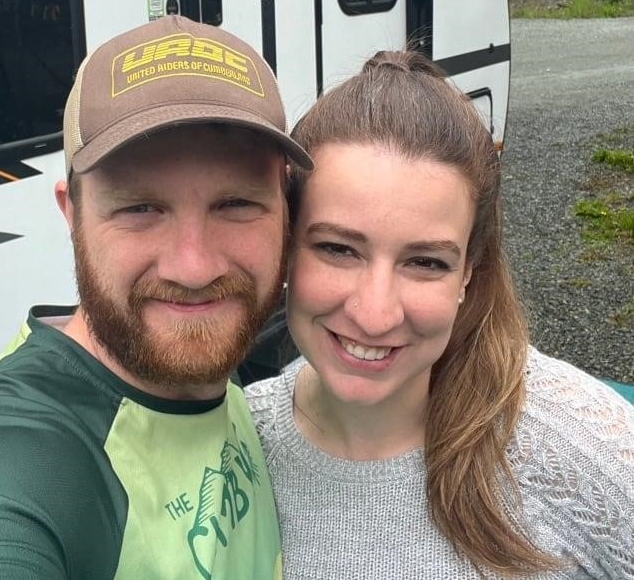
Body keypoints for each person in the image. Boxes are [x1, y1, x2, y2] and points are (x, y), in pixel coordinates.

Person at [0, 15, 313, 580]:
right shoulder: (13, 455)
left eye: (236, 205)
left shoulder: (220, 376)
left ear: (285, 211)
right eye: (139, 209)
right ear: (71, 214)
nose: (195, 267)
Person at [246, 50, 634, 579]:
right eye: (339, 249)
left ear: (469, 270)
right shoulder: (238, 448)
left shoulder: (579, 447)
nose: (376, 313)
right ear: (288, 245)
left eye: (425, 262)